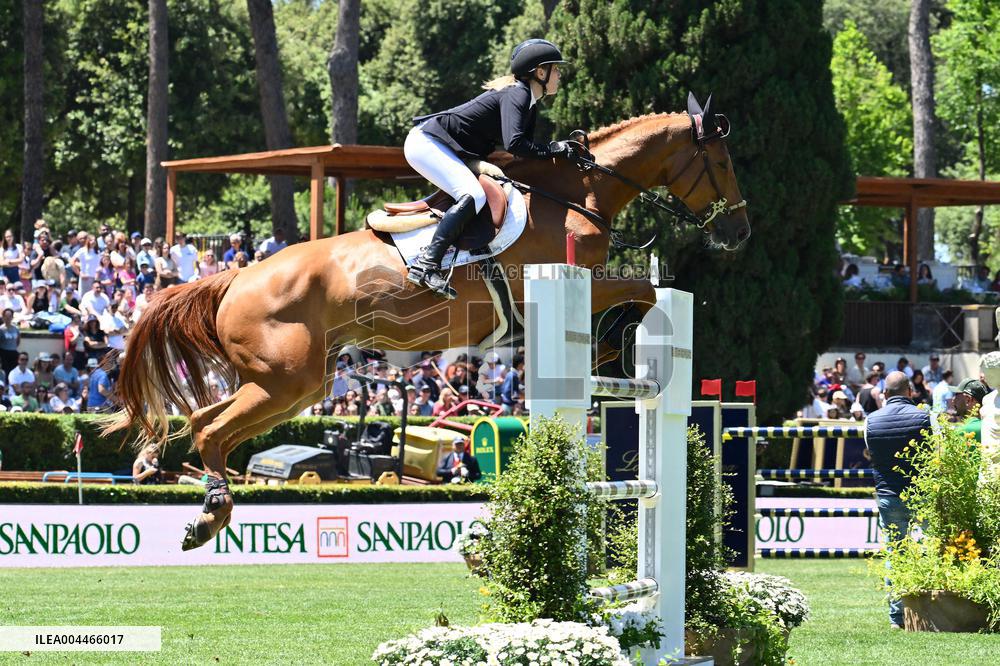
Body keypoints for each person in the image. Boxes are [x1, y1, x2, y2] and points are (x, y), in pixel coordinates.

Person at [403, 39, 572, 298]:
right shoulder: (518, 94)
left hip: (442, 146)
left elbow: (523, 152)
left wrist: (557, 153)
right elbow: (516, 144)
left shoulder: (528, 102)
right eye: (555, 69)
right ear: (540, 72)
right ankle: (426, 264)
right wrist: (554, 149)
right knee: (474, 194)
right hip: (427, 142)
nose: (559, 74)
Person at [864, 371, 930, 629]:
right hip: (921, 492)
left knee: (896, 553)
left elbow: (871, 452)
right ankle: (928, 612)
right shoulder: (925, 417)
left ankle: (897, 617)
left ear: (885, 394)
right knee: (929, 548)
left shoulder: (871, 420)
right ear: (910, 392)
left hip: (888, 495)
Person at [0, 307, 19, 375]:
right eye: (6, 316)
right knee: (5, 371)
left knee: (14, 371)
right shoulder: (1, 329)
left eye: (10, 316)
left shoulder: (16, 328)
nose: (8, 318)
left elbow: (18, 341)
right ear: (3, 317)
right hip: (4, 353)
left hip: (13, 353)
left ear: (12, 317)